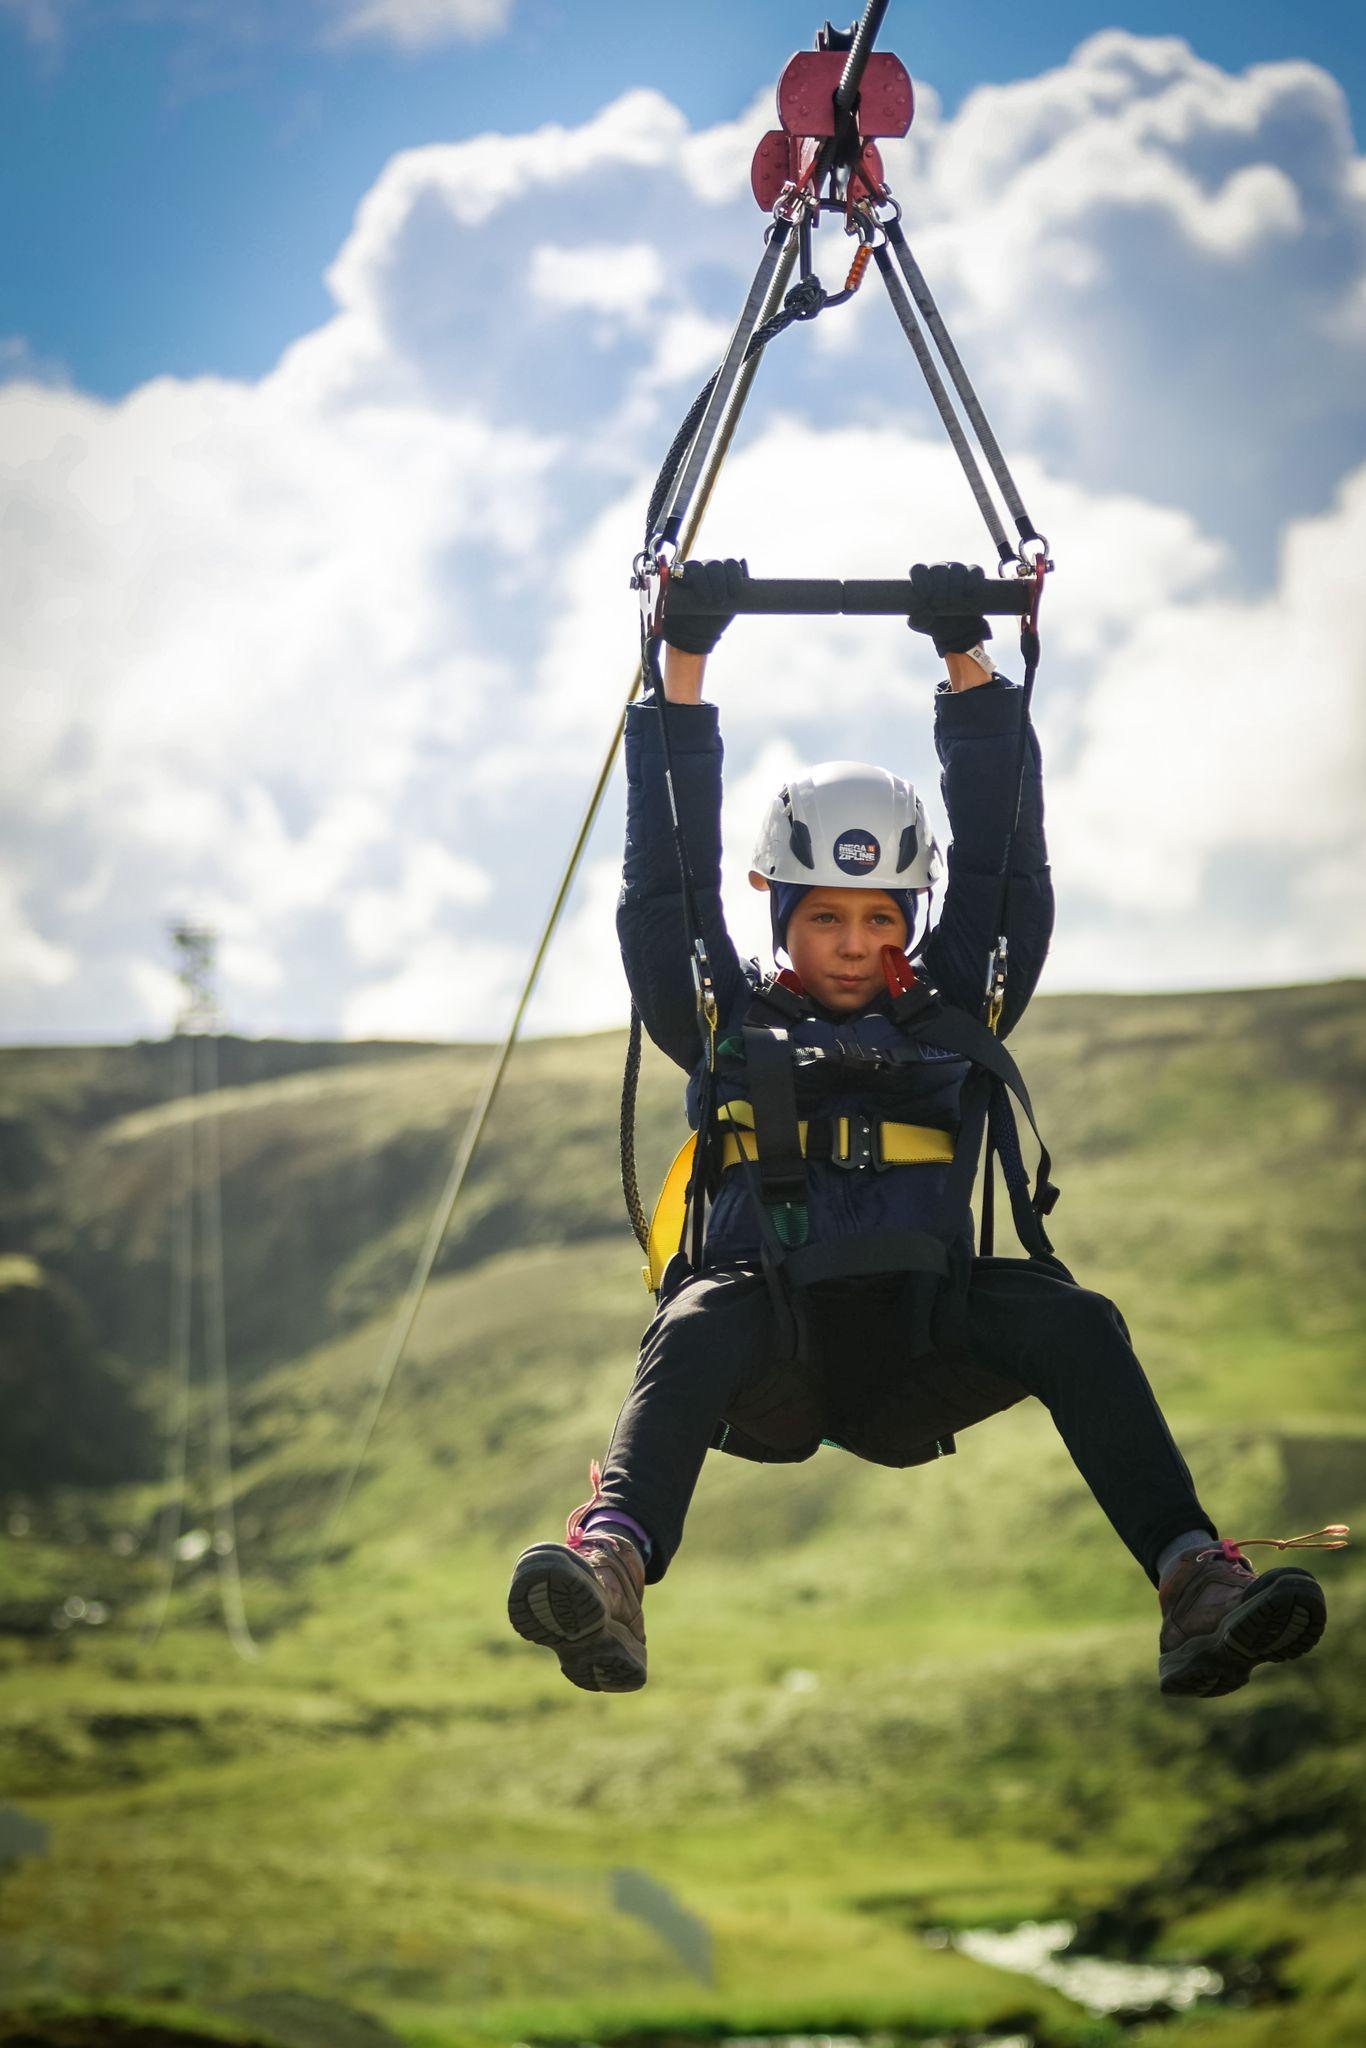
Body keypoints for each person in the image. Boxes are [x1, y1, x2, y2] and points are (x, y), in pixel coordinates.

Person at [507, 560, 1345, 1697]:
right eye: (824, 917)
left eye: (879, 916)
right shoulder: (718, 1016)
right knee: (695, 1318)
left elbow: (1005, 874)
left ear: (912, 915)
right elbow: (665, 892)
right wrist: (682, 677)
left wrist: (969, 665)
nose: (853, 942)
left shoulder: (956, 1008)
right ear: (781, 913)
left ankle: (1195, 1579)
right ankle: (611, 1568)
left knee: (1075, 1319)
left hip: (927, 1333)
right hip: (775, 1344)